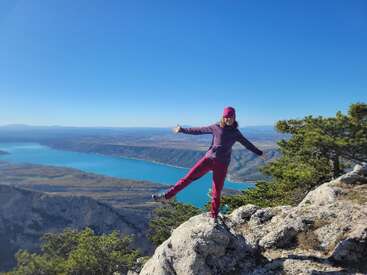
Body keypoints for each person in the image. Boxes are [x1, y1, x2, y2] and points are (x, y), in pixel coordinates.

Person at [152, 106, 265, 220]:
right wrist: (182, 129)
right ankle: (166, 196)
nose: (228, 119)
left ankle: (213, 217)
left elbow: (247, 144)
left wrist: (260, 153)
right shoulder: (215, 127)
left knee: (216, 191)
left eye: (230, 117)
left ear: (234, 117)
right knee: (187, 178)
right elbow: (198, 130)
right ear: (223, 117)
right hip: (208, 160)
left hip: (222, 164)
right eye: (226, 117)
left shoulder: (236, 133)